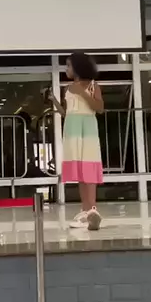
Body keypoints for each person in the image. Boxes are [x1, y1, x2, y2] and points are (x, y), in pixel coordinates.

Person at [48, 53, 104, 230]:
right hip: (72, 130)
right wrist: (54, 101)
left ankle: (92, 209)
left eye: (69, 66)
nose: (66, 69)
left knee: (88, 166)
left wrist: (83, 93)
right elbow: (66, 113)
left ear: (78, 67)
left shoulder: (93, 85)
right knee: (80, 170)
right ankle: (85, 210)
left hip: (88, 129)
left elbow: (99, 108)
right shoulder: (67, 88)